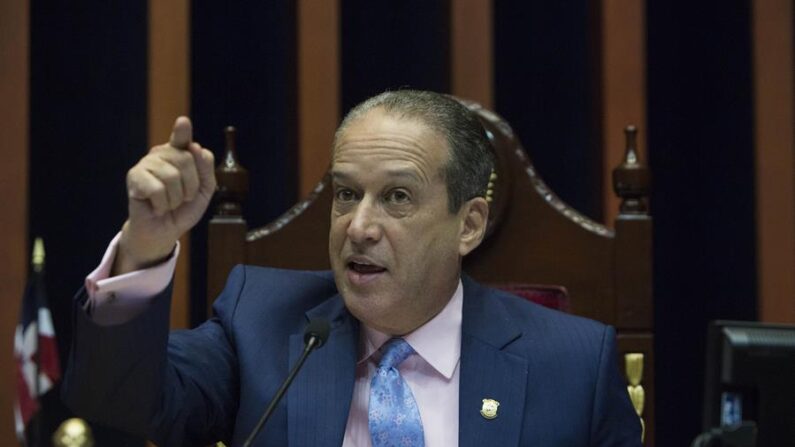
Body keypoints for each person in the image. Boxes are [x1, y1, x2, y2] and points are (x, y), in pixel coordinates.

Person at [63, 90, 642, 446]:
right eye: (346, 194)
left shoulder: (573, 364)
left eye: (397, 198)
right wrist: (146, 245)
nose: (359, 226)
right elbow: (119, 400)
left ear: (468, 226)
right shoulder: (261, 324)